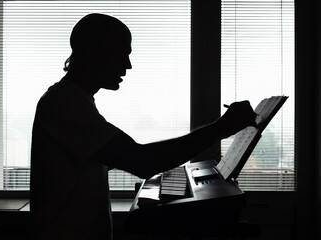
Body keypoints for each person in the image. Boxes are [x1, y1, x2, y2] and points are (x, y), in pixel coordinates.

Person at [30, 13, 256, 240]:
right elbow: (142, 161)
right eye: (121, 54)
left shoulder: (74, 101)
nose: (127, 65)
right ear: (93, 52)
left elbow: (126, 156)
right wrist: (223, 127)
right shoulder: (65, 104)